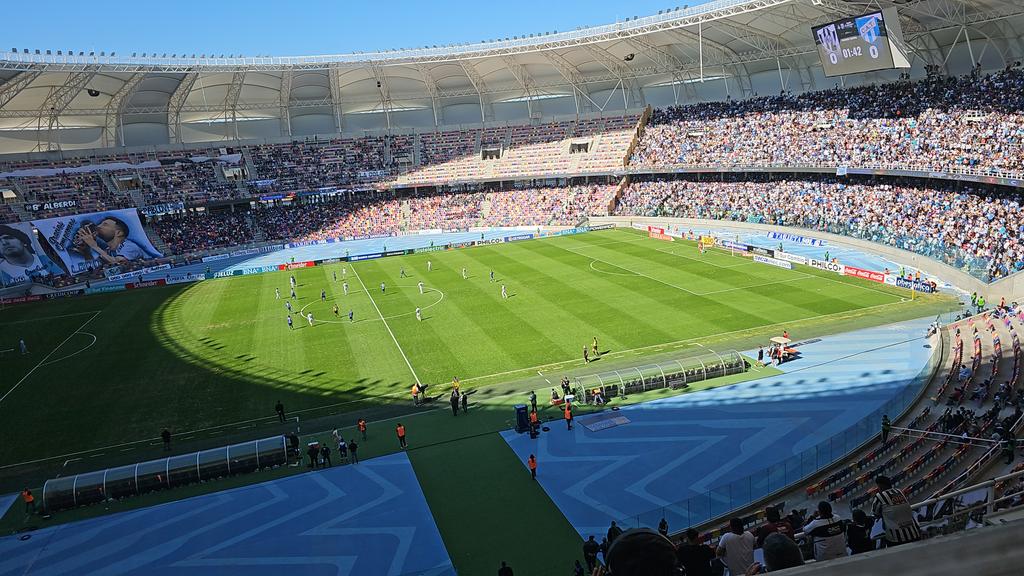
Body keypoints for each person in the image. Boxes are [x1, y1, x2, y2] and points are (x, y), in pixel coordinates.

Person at [872, 475, 921, 546]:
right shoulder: (899, 491)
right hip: (914, 532)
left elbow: (875, 513)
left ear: (880, 485)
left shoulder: (880, 496)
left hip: (896, 538)